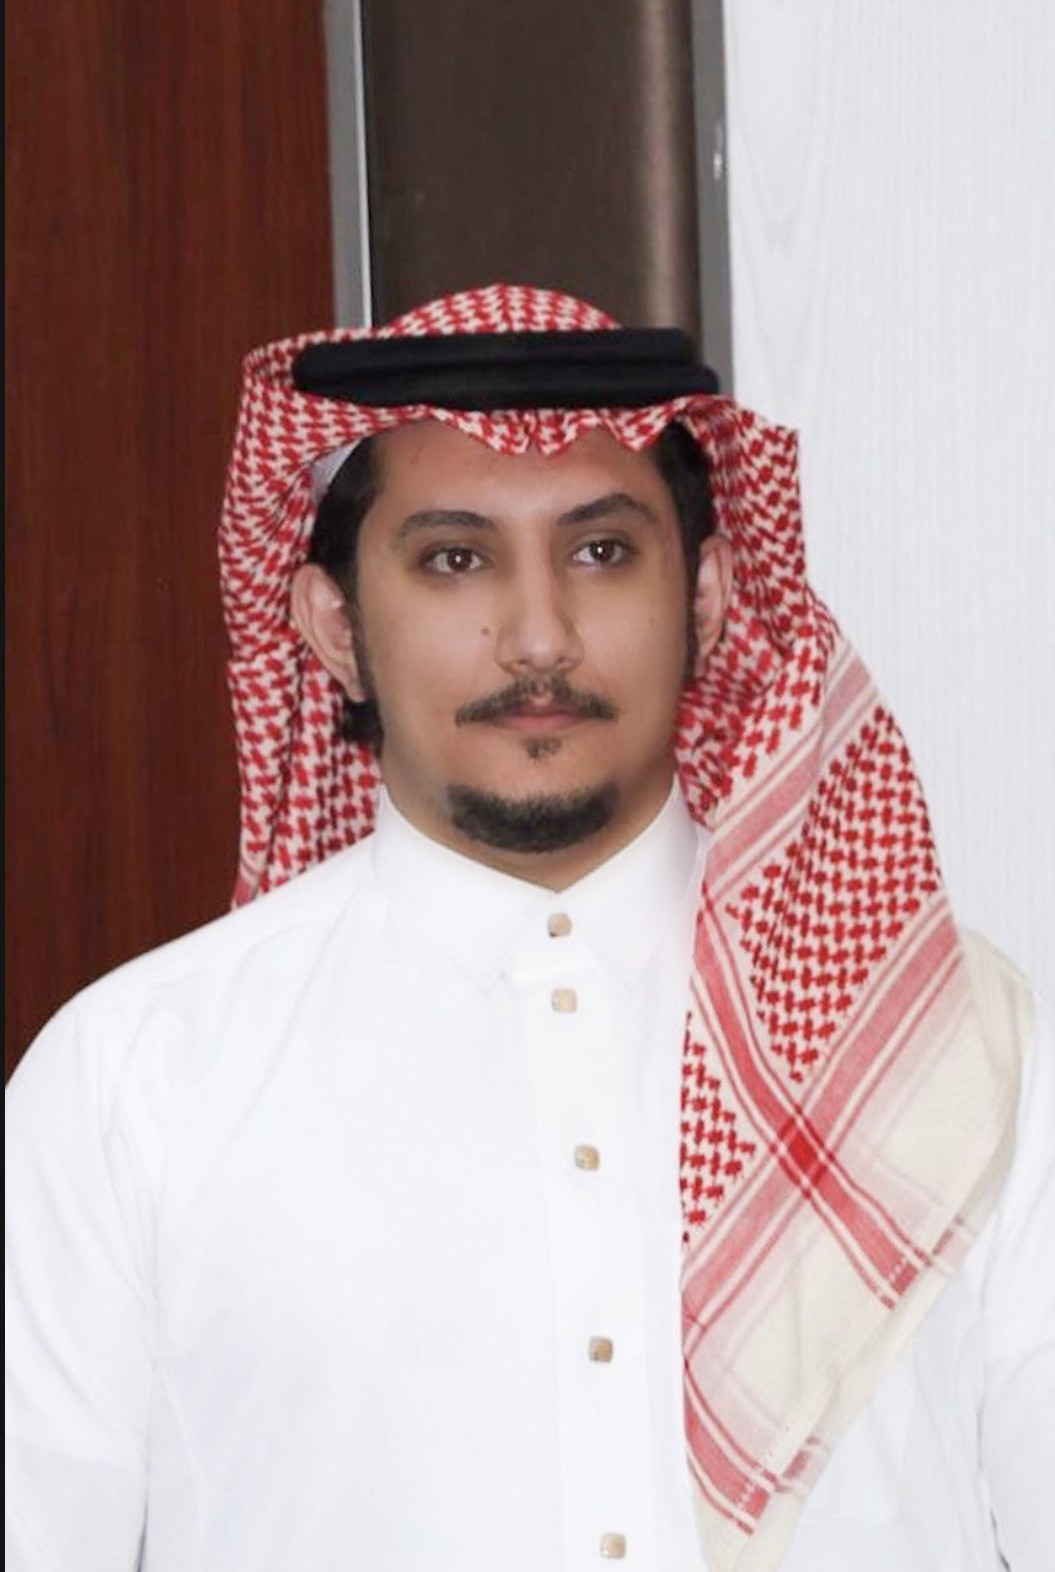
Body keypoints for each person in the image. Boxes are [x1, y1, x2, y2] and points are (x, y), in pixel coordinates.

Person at [5, 283, 1052, 1572]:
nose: (540, 636)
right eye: (455, 559)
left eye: (601, 551)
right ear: (335, 627)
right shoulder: (134, 1081)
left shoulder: (955, 1048)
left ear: (707, 596)